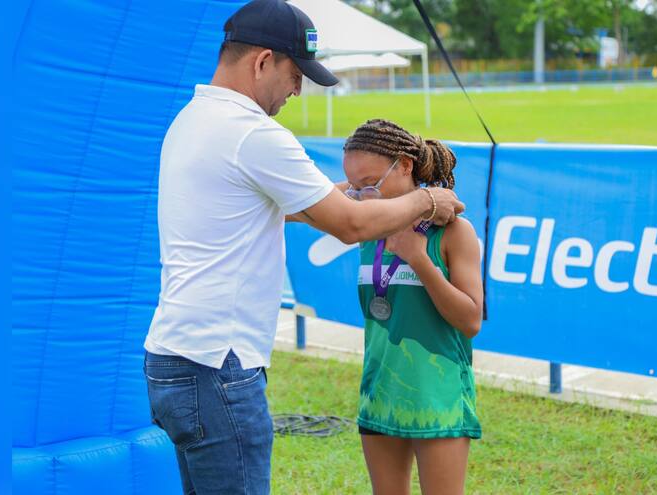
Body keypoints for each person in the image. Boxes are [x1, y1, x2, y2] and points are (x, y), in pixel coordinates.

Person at [141, 1, 466, 494]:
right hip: (218, 365)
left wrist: (364, 193)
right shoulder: (252, 133)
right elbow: (351, 225)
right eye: (296, 74)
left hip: (173, 359)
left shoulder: (192, 121)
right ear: (263, 61)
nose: (297, 90)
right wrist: (427, 199)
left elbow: (300, 205)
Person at [342, 119, 484, 495]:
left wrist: (419, 260)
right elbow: (307, 202)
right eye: (355, 188)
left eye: (371, 182)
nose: (363, 196)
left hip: (437, 399)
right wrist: (359, 194)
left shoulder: (454, 232)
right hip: (379, 394)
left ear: (405, 166)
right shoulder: (365, 225)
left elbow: (470, 320)